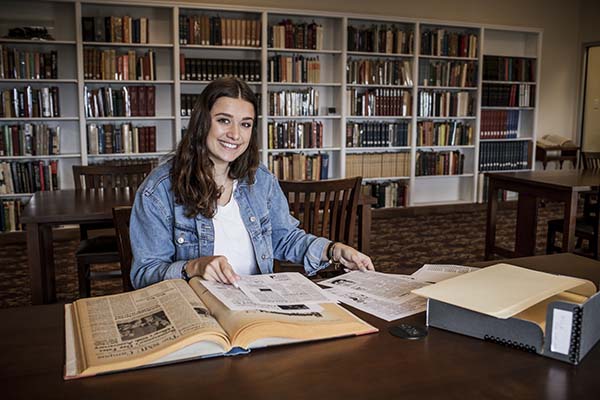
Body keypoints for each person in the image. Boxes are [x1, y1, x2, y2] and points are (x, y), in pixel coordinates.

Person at [129, 77, 374, 289]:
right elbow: (143, 275)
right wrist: (192, 267)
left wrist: (333, 250)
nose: (235, 134)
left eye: (245, 124)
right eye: (224, 120)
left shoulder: (260, 180)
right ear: (202, 122)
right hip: (197, 312)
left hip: (256, 307)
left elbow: (284, 238)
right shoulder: (158, 190)